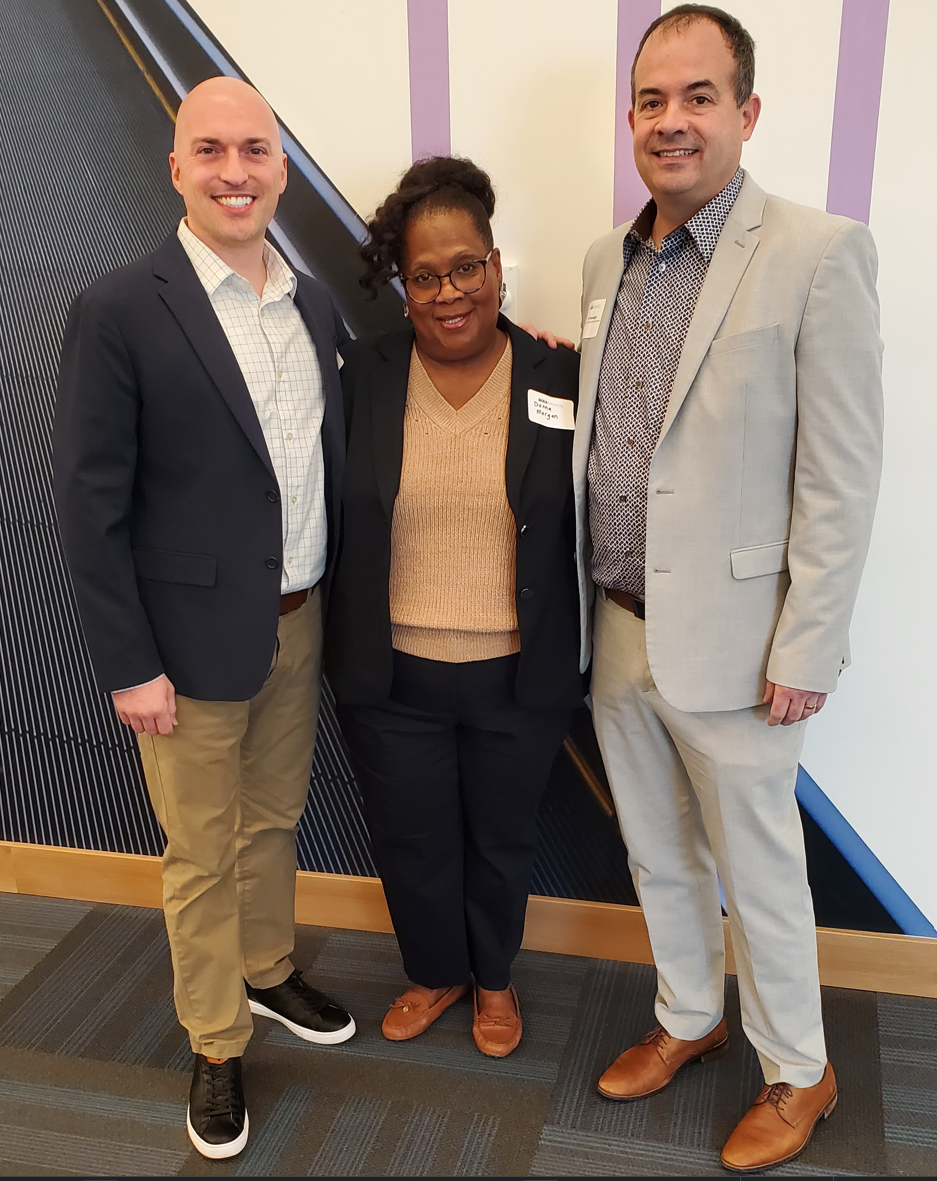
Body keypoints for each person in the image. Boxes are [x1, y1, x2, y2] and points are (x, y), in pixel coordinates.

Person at [574, 5, 883, 1172]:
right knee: (656, 850)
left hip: (743, 644)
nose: (671, 120)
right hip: (616, 623)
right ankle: (690, 1013)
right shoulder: (607, 259)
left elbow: (841, 473)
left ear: (745, 113)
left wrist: (806, 643)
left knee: (759, 872)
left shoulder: (817, 252)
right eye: (651, 100)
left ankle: (799, 1070)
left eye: (697, 97)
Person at [53, 77, 356, 1160]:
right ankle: (217, 1037)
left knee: (273, 819)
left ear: (281, 168)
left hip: (298, 618)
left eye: (255, 150)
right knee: (199, 849)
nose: (236, 171)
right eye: (212, 150)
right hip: (181, 649)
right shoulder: (119, 308)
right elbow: (89, 502)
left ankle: (267, 970)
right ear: (176, 165)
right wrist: (129, 662)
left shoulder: (313, 306)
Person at [325, 157, 583, 1057]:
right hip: (392, 669)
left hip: (519, 667)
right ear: (404, 286)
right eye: (425, 276)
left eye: (465, 267)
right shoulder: (362, 373)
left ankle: (495, 979)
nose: (448, 293)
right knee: (413, 839)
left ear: (496, 264)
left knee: (502, 838)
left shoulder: (561, 374)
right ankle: (436, 971)